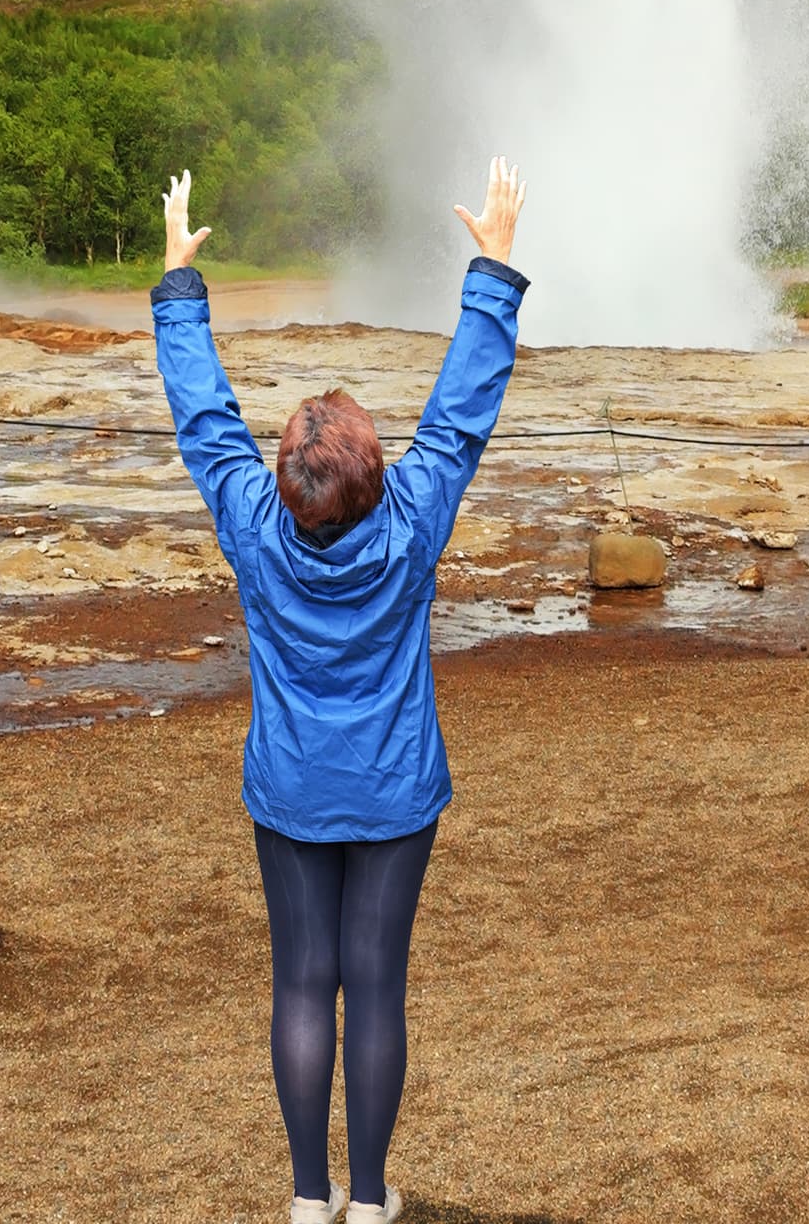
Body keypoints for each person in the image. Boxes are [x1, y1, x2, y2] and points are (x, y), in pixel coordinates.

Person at [152, 159, 527, 1224]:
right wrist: (493, 266)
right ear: (370, 472)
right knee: (375, 983)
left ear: (293, 483)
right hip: (396, 787)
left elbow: (205, 420)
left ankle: (308, 1200)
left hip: (292, 786)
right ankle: (369, 1203)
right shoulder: (410, 518)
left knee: (300, 981)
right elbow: (459, 418)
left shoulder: (253, 524)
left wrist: (180, 284)